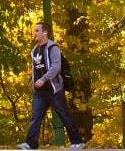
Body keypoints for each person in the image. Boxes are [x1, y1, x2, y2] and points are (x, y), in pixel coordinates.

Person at [17, 21, 86, 150]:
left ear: (45, 32)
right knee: (35, 116)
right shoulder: (35, 50)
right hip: (40, 92)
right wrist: (34, 83)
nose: (35, 33)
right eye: (35, 30)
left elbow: (56, 67)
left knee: (63, 114)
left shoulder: (52, 48)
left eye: (37, 30)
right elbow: (34, 69)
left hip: (54, 90)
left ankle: (77, 142)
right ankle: (31, 143)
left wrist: (43, 79)